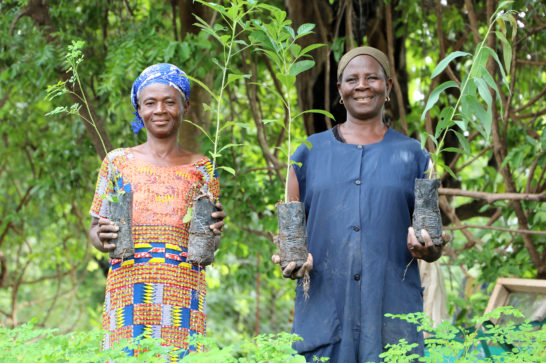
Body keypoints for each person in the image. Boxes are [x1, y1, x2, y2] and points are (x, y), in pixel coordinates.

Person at [272, 47, 449, 362]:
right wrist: (292, 262)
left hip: (392, 316)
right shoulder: (308, 153)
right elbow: (291, 235)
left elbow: (431, 240)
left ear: (389, 86)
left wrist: (431, 249)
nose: (362, 85)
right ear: (340, 90)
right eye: (352, 79)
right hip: (325, 317)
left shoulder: (414, 155)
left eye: (372, 77)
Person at [88, 63, 225, 359]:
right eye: (150, 103)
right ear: (139, 108)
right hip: (128, 291)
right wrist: (102, 235)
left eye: (169, 101)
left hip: (182, 293)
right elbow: (94, 231)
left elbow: (209, 246)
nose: (159, 110)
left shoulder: (202, 168)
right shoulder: (117, 162)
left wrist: (215, 232)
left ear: (185, 107)